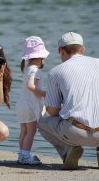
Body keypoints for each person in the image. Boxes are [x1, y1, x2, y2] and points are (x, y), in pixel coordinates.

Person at [38, 32, 99, 170]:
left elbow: (52, 112)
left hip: (76, 132)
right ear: (83, 50)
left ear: (61, 51)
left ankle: (68, 151)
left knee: (42, 122)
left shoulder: (56, 72)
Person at [16, 36, 49, 164]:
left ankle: (22, 154)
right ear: (40, 57)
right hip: (29, 105)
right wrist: (45, 94)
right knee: (31, 132)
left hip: (21, 104)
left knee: (23, 131)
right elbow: (31, 86)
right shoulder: (35, 70)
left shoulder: (26, 68)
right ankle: (25, 156)